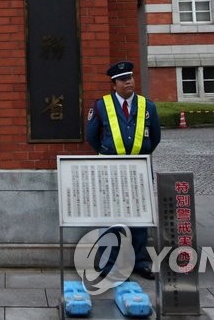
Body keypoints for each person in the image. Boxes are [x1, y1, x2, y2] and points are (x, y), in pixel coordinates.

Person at [85, 60, 162, 280]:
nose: (128, 82)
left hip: (139, 168)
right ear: (114, 84)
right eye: (122, 80)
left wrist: (141, 151)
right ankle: (109, 263)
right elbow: (92, 135)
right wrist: (107, 151)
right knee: (111, 216)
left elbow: (155, 136)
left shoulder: (148, 106)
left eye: (130, 78)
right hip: (111, 168)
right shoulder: (102, 106)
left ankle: (139, 262)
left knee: (139, 218)